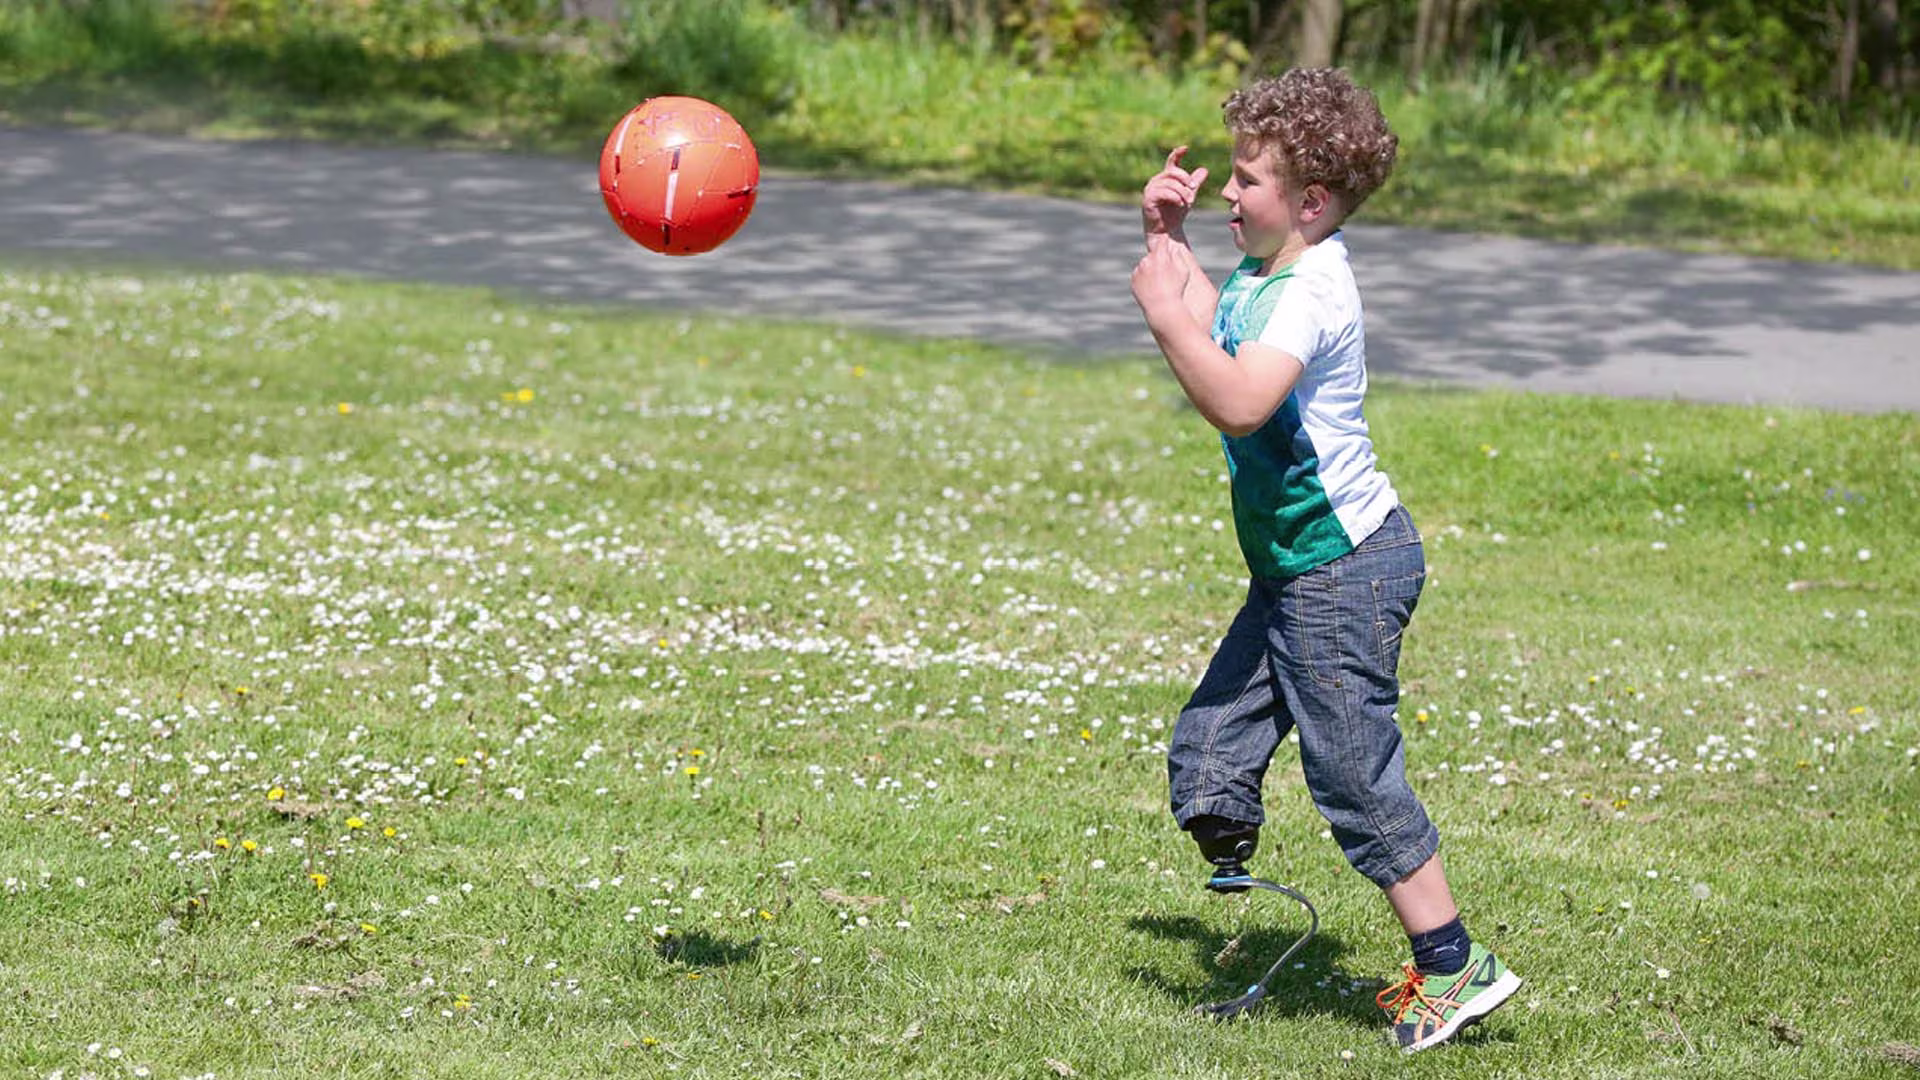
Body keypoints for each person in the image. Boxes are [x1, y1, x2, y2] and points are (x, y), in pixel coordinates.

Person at [1128, 67, 1521, 1053]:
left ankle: (1454, 964)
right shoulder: (1273, 270)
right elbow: (1227, 329)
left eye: (1246, 180)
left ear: (1309, 202)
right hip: (1295, 567)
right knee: (1211, 748)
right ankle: (1228, 848)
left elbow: (1240, 399)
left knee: (1351, 775)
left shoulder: (1315, 290)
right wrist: (1165, 244)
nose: (1227, 191)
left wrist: (1166, 315)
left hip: (1344, 569)